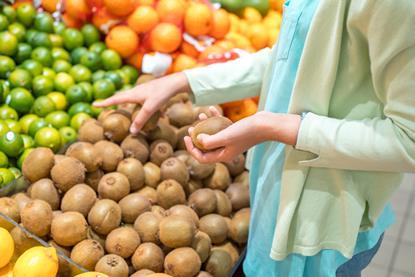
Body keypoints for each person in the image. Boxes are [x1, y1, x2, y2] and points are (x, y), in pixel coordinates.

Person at [95, 0, 415, 275]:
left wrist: (275, 127)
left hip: (324, 223)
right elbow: (291, 57)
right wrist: (185, 81)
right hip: (278, 199)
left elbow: (409, 141)